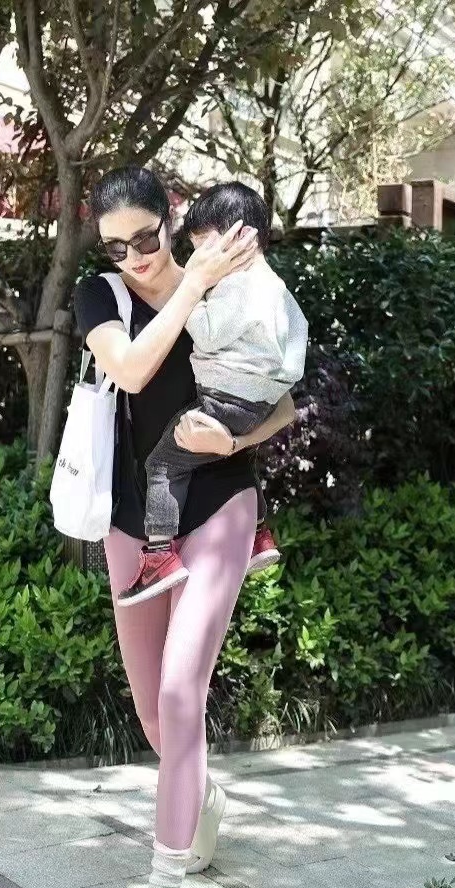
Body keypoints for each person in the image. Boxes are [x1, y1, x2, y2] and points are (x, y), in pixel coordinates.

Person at [72, 165, 296, 888]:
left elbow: (282, 400)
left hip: (220, 505)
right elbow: (131, 370)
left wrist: (235, 442)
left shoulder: (227, 277)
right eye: (116, 245)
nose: (135, 255)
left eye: (145, 236)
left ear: (169, 220)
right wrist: (188, 285)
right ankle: (197, 793)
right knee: (151, 714)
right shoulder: (102, 296)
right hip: (131, 520)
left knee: (178, 695)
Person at [117, 181, 308, 608]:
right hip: (259, 403)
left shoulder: (239, 286)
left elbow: (203, 330)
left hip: (223, 400)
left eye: (206, 247)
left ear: (243, 237)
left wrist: (189, 290)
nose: (201, 259)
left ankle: (159, 554)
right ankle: (258, 535)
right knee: (241, 455)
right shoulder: (278, 289)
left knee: (162, 464)